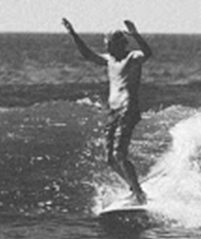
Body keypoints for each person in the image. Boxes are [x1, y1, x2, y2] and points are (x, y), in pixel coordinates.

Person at [62, 18, 153, 204]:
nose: (106, 47)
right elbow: (88, 55)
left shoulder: (132, 58)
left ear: (119, 43)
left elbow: (148, 53)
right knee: (110, 159)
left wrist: (136, 35)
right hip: (113, 111)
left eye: (109, 43)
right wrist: (73, 34)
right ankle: (134, 187)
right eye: (106, 44)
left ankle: (139, 194)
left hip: (128, 109)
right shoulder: (109, 60)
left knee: (120, 154)